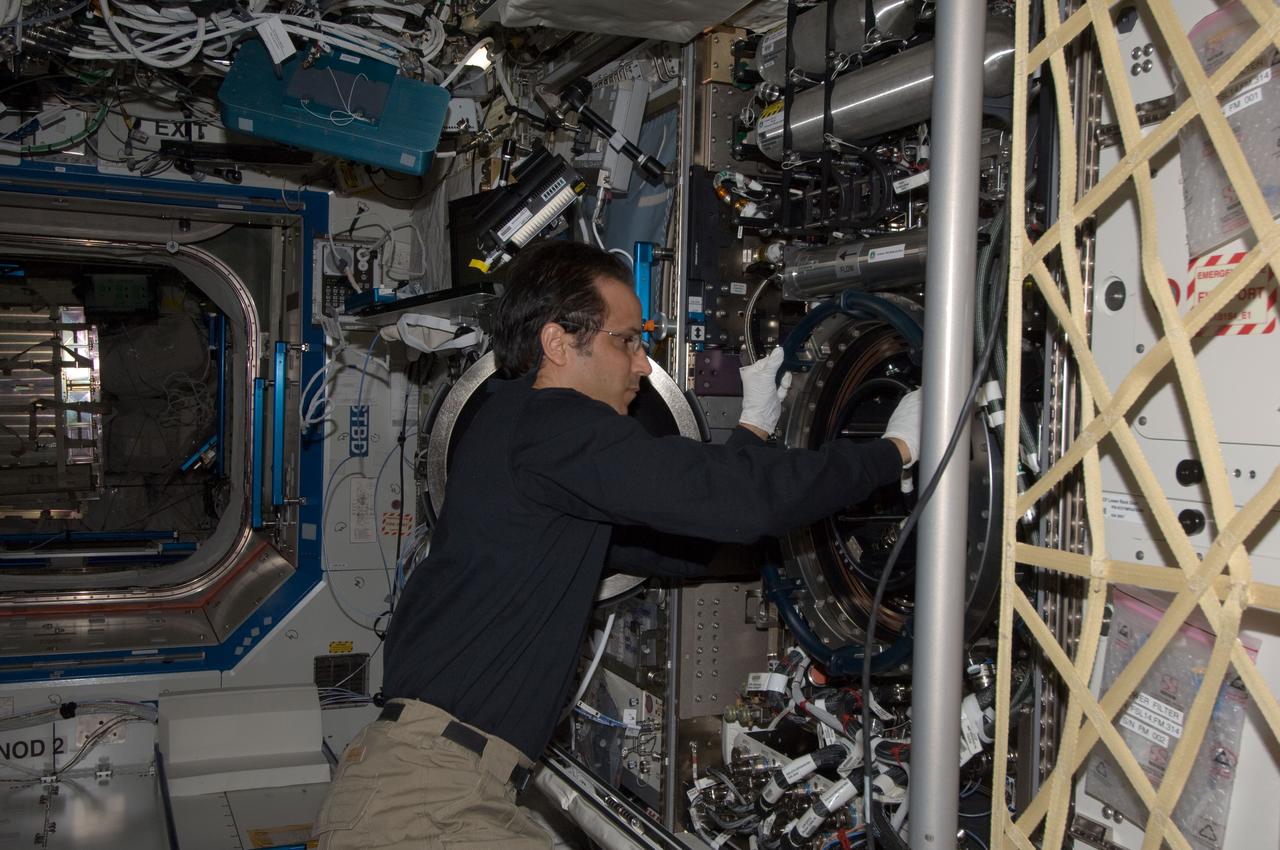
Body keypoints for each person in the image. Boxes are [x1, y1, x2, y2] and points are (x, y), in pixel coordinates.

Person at [311, 240, 922, 850]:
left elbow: (683, 540)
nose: (639, 363)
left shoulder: (515, 431)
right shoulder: (552, 426)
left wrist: (755, 428)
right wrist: (890, 452)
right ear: (557, 343)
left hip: (435, 783)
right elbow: (732, 502)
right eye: (625, 340)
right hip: (426, 799)